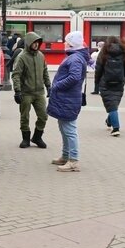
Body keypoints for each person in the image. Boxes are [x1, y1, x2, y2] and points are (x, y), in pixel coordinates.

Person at [47, 31, 89, 172]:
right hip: (67, 99)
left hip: (68, 98)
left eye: (66, 41)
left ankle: (73, 160)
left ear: (71, 44)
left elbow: (74, 77)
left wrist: (57, 85)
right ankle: (65, 156)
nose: (64, 43)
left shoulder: (75, 58)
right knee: (64, 128)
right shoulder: (76, 57)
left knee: (69, 130)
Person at [12, 32, 51, 149]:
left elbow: (45, 72)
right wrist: (17, 91)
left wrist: (49, 86)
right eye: (34, 42)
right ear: (29, 43)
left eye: (37, 42)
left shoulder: (41, 56)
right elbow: (16, 75)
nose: (36, 44)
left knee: (43, 115)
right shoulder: (22, 57)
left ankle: (37, 137)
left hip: (39, 92)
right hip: (26, 92)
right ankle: (25, 138)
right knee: (25, 117)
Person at [94, 37, 125, 137]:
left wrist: (97, 83)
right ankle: (109, 121)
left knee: (112, 105)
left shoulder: (104, 53)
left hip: (106, 83)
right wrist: (123, 81)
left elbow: (98, 69)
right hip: (119, 83)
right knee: (113, 104)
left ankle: (116, 128)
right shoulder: (124, 53)